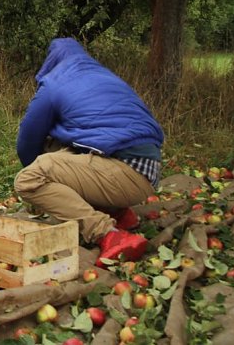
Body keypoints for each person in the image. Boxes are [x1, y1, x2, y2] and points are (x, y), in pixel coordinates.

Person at [13, 37, 164, 267]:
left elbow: (27, 140)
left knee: (29, 179)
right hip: (146, 170)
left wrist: (40, 182)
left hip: (125, 173)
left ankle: (108, 233)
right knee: (55, 147)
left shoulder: (54, 83)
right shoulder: (104, 76)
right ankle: (120, 212)